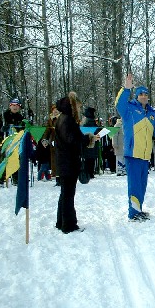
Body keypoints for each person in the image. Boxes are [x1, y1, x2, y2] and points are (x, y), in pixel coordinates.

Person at [115, 72, 155, 221]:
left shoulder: (151, 113)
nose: (143, 96)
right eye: (140, 94)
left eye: (145, 94)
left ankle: (139, 209)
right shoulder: (129, 109)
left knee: (142, 184)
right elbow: (119, 104)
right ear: (136, 96)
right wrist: (126, 88)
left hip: (145, 154)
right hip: (133, 153)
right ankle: (133, 213)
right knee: (134, 184)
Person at [55, 91, 99, 234]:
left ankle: (61, 221)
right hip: (68, 162)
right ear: (73, 106)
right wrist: (89, 139)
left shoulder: (63, 118)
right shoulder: (67, 120)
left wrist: (89, 137)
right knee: (68, 194)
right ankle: (68, 224)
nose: (80, 110)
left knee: (65, 193)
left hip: (65, 161)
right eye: (78, 107)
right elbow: (73, 140)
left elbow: (74, 137)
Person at [42, 104, 60, 185]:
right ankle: (57, 179)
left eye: (57, 109)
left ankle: (63, 179)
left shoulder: (63, 118)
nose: (55, 111)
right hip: (53, 142)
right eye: (54, 109)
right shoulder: (50, 120)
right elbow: (47, 130)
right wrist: (45, 139)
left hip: (62, 142)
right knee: (54, 161)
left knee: (62, 160)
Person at [81, 107, 99, 179]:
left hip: (87, 144)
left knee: (87, 160)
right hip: (94, 144)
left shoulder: (85, 124)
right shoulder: (94, 124)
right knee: (92, 160)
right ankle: (91, 173)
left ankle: (87, 173)